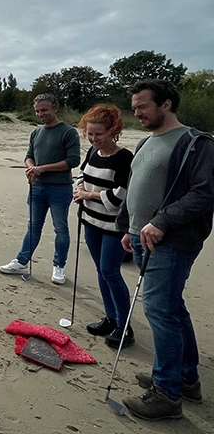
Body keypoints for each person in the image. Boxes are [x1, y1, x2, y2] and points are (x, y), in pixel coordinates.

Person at [116, 80, 214, 421]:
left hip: (171, 241)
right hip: (142, 238)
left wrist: (161, 221)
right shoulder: (146, 141)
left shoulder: (196, 144)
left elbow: (204, 193)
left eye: (143, 106)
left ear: (167, 105)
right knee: (172, 308)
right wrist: (128, 228)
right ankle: (185, 379)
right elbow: (137, 185)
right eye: (135, 106)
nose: (136, 112)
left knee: (160, 312)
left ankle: (167, 394)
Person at [0, 93, 81, 283]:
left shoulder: (68, 132)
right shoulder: (36, 132)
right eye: (37, 111)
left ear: (55, 108)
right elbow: (29, 156)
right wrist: (31, 168)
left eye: (44, 110)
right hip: (37, 188)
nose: (40, 114)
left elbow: (73, 161)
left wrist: (44, 168)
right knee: (33, 227)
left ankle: (59, 266)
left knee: (61, 229)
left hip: (60, 189)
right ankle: (21, 260)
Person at [73, 104, 134, 346]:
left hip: (113, 226)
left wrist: (89, 195)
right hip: (90, 220)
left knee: (110, 270)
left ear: (113, 131)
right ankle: (110, 317)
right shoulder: (91, 152)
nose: (94, 138)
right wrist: (79, 188)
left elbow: (119, 196)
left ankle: (124, 325)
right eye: (90, 133)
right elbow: (82, 174)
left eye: (99, 134)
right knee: (100, 270)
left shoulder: (124, 158)